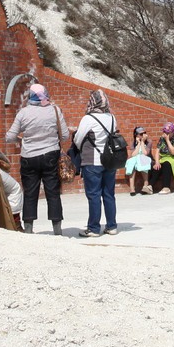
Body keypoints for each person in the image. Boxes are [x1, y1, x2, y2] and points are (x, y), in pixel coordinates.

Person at [3, 83, 68, 235]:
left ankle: (29, 229)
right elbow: (64, 135)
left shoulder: (23, 113)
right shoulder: (54, 110)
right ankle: (57, 230)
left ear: (29, 95)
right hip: (51, 155)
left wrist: (22, 140)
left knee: (30, 193)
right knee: (53, 193)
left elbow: (9, 137)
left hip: (29, 157)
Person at [71, 89, 121, 236]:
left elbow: (78, 138)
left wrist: (80, 149)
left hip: (92, 161)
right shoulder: (112, 117)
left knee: (93, 195)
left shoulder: (88, 118)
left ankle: (93, 228)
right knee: (109, 194)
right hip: (109, 161)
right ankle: (111, 226)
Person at [152, 122, 174, 193]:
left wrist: (167, 140)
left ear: (172, 132)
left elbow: (173, 152)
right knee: (156, 166)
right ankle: (150, 186)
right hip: (164, 157)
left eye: (167, 132)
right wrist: (157, 162)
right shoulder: (161, 138)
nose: (165, 134)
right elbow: (157, 151)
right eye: (164, 132)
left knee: (166, 164)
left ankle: (166, 187)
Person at [125, 125, 153, 196]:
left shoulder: (149, 142)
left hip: (144, 158)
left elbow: (145, 153)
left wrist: (143, 142)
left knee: (143, 160)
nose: (143, 135)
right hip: (135, 158)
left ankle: (145, 185)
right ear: (136, 135)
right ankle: (132, 188)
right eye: (141, 134)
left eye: (144, 133)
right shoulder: (133, 143)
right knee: (131, 162)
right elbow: (133, 155)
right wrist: (138, 144)